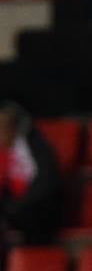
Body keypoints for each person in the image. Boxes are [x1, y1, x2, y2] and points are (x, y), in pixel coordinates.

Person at [0, 102, 62, 246]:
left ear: (14, 128)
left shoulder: (37, 148)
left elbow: (46, 185)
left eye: (3, 127)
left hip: (36, 209)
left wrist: (14, 208)